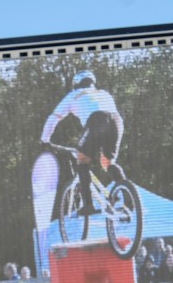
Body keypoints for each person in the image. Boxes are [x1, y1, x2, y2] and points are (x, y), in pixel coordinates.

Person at [40, 70, 125, 216]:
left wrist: (45, 140)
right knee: (107, 162)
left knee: (82, 160)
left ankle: (88, 205)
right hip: (117, 121)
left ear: (76, 84)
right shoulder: (104, 93)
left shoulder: (73, 95)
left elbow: (54, 118)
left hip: (97, 120)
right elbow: (108, 115)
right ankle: (128, 197)